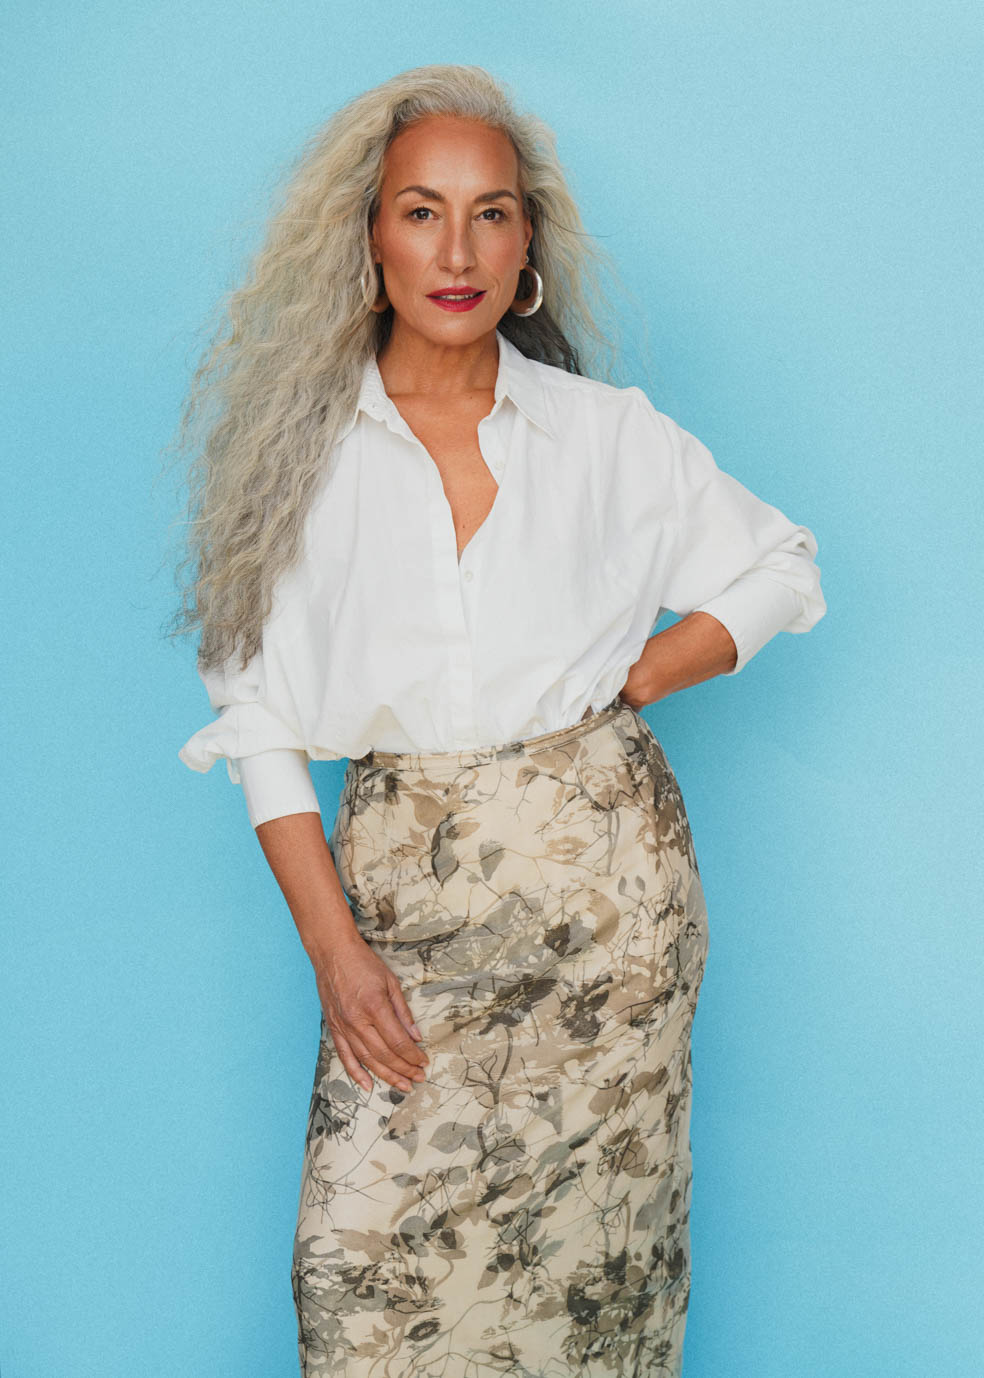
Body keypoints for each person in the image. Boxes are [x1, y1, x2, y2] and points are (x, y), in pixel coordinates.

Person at [170, 63, 825, 1378]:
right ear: (369, 237)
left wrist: (653, 669)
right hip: (400, 912)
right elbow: (257, 714)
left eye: (491, 214)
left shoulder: (606, 435)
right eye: (422, 211)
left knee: (594, 1294)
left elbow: (783, 567)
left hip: (608, 922)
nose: (457, 251)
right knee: (363, 1286)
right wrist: (332, 949)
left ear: (530, 246)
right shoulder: (298, 456)